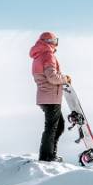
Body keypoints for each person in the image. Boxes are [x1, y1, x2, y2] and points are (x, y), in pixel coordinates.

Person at [29, 32, 71, 162]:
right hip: (51, 97)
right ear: (49, 41)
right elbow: (52, 77)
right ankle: (47, 157)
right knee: (52, 128)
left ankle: (50, 154)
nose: (56, 43)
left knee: (58, 126)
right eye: (55, 40)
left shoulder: (38, 55)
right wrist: (65, 79)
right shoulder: (48, 55)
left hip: (45, 97)